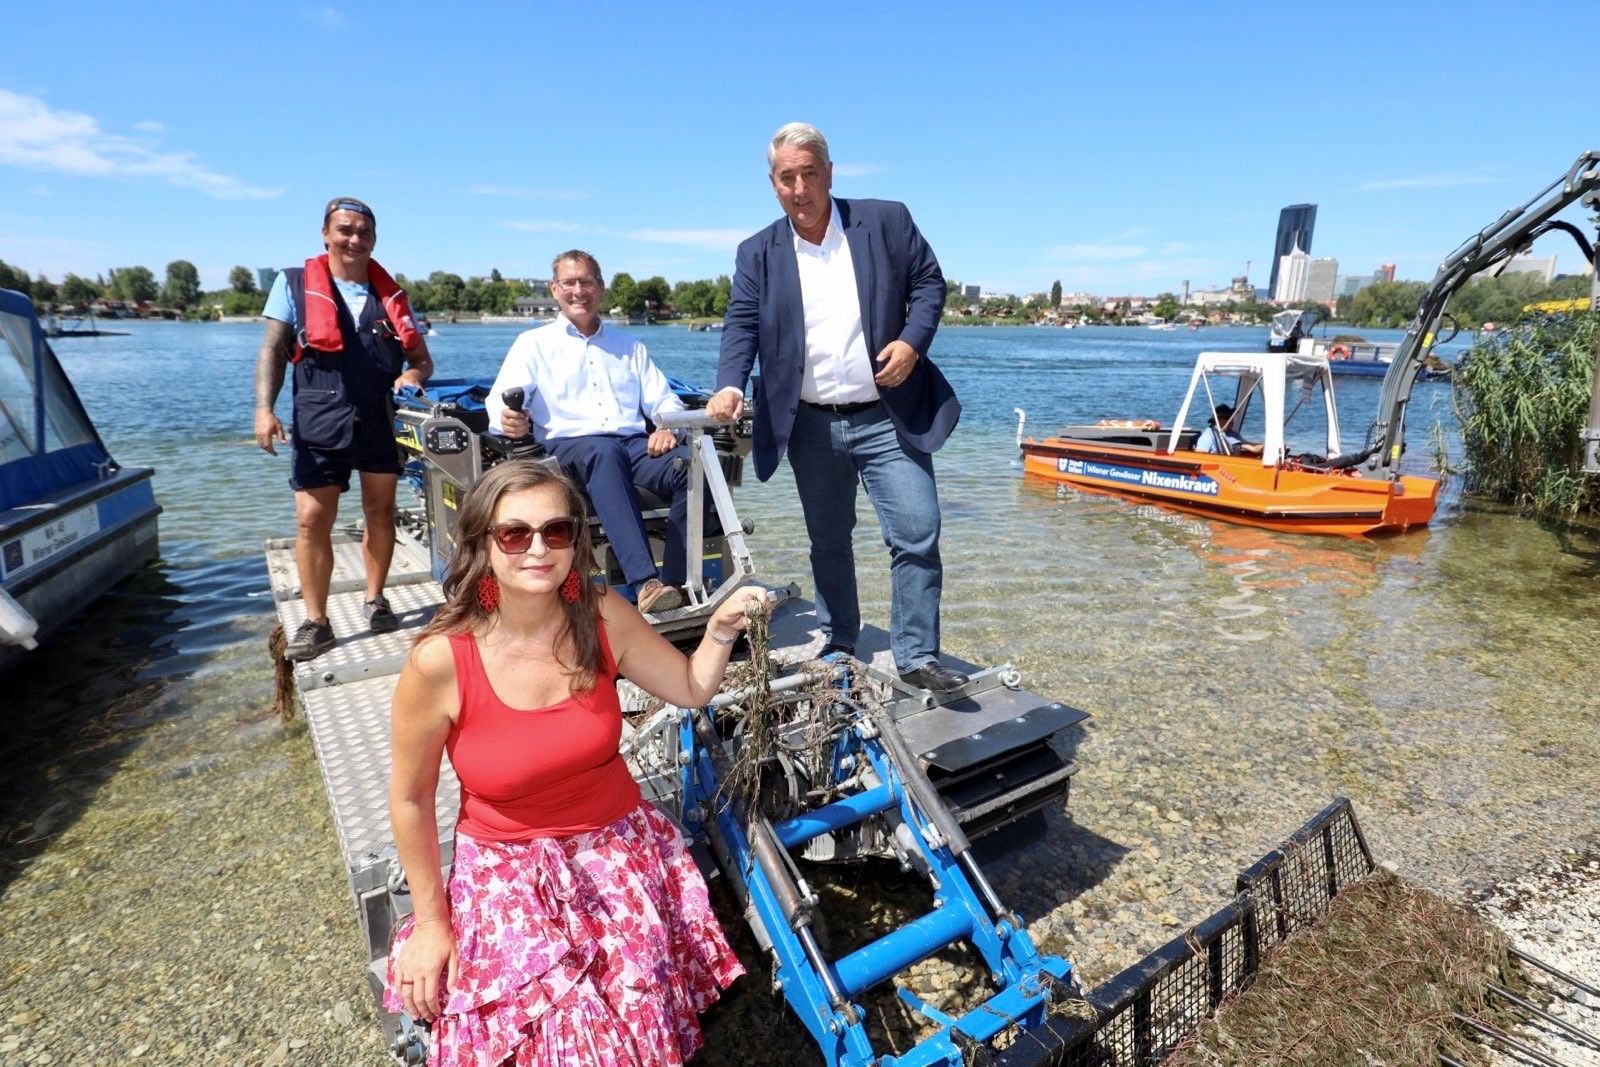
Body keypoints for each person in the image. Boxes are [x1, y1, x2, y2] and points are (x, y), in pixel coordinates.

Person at [385, 459, 762, 1065]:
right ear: (482, 543)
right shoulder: (441, 661)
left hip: (619, 851)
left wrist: (718, 631)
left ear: (576, 542)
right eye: (514, 534)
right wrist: (432, 923)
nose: (537, 548)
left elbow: (690, 689)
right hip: (508, 870)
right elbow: (409, 799)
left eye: (556, 531)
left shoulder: (601, 613)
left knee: (636, 1036)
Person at [706, 122, 967, 694]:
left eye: (809, 174)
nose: (799, 189)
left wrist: (912, 343)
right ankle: (841, 639)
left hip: (885, 414)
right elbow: (742, 323)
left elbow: (929, 284)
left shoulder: (886, 220)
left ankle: (917, 654)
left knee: (918, 532)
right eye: (786, 178)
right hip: (809, 424)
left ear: (829, 172)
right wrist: (729, 383)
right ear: (772, 183)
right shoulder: (758, 252)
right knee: (829, 539)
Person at [254, 197, 434, 661]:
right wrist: (264, 409)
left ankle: (376, 598)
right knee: (312, 521)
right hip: (318, 418)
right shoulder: (293, 284)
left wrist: (412, 377)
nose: (354, 239)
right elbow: (273, 349)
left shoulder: (391, 296)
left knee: (381, 511)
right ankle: (317, 622)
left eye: (363, 232)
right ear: (325, 233)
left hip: (378, 418)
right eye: (345, 230)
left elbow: (420, 360)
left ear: (374, 240)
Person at [486, 251, 694, 616]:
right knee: (603, 451)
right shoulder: (533, 344)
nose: (578, 291)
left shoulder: (629, 347)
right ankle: (644, 582)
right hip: (567, 451)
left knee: (692, 467)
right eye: (569, 283)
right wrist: (508, 420)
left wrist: (666, 426)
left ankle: (676, 584)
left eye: (586, 282)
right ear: (554, 289)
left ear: (600, 288)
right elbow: (498, 402)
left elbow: (664, 400)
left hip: (630, 445)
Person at [1193, 403, 1263, 457]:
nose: (1232, 419)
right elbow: (1198, 457)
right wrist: (1251, 448)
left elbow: (1247, 444)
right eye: (1229, 417)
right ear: (1220, 419)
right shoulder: (1208, 436)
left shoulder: (1231, 433)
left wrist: (1264, 446)